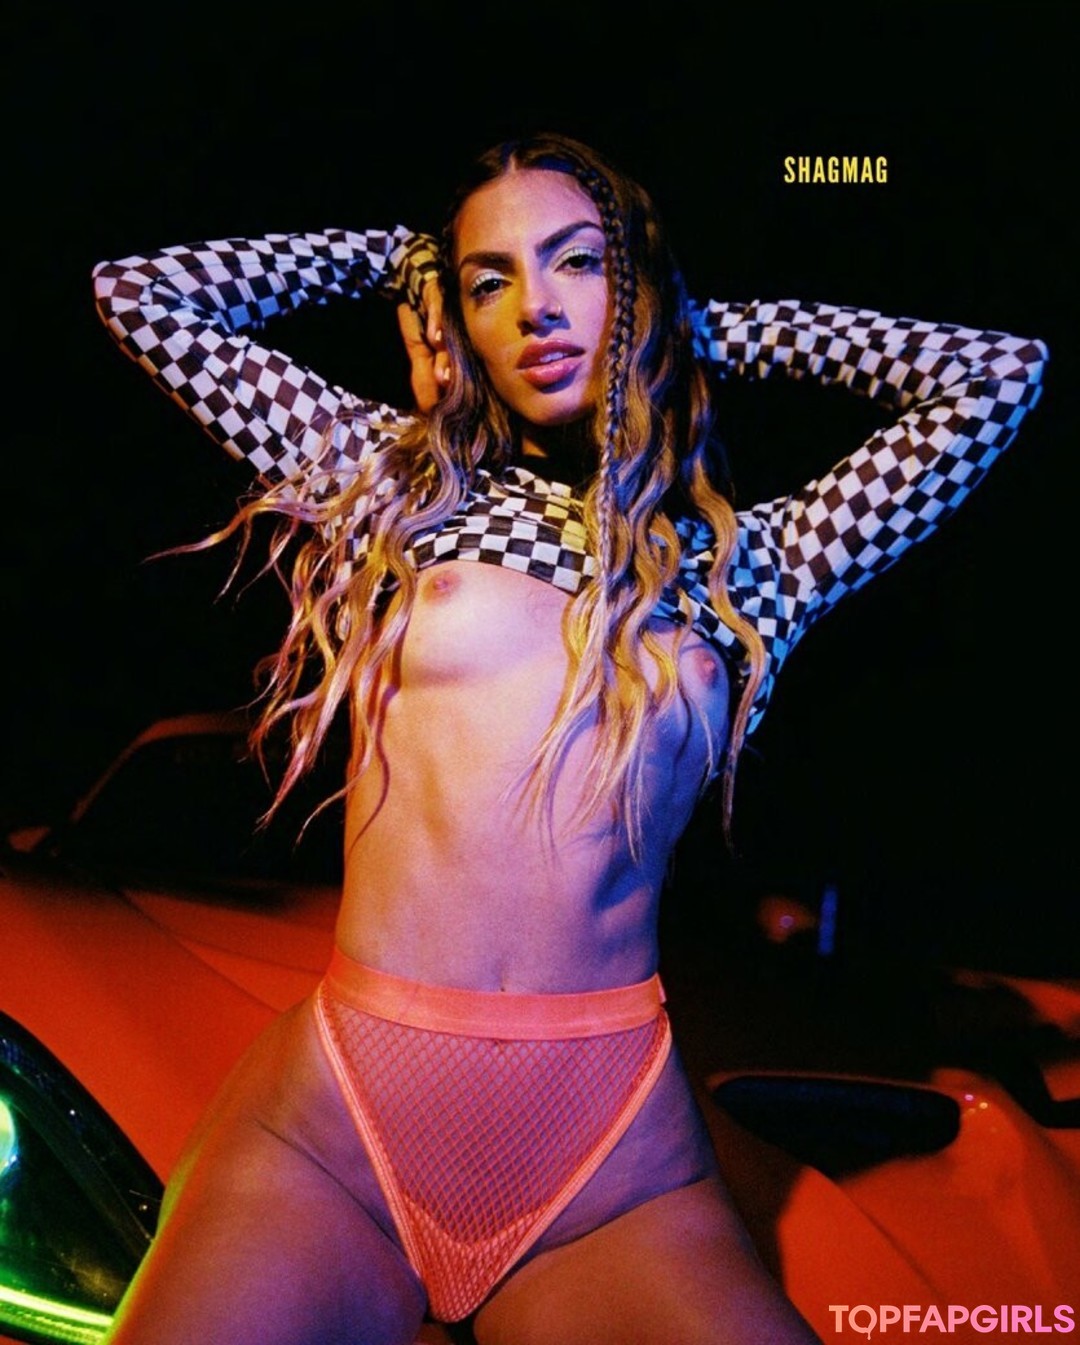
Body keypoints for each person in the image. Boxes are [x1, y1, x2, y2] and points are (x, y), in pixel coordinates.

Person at [90, 132, 1046, 1345]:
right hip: (338, 1135)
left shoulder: (751, 565)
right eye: (489, 281)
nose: (536, 306)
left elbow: (997, 376)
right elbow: (141, 296)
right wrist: (400, 262)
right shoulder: (395, 485)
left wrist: (688, 326)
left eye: (580, 263)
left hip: (607, 1168)